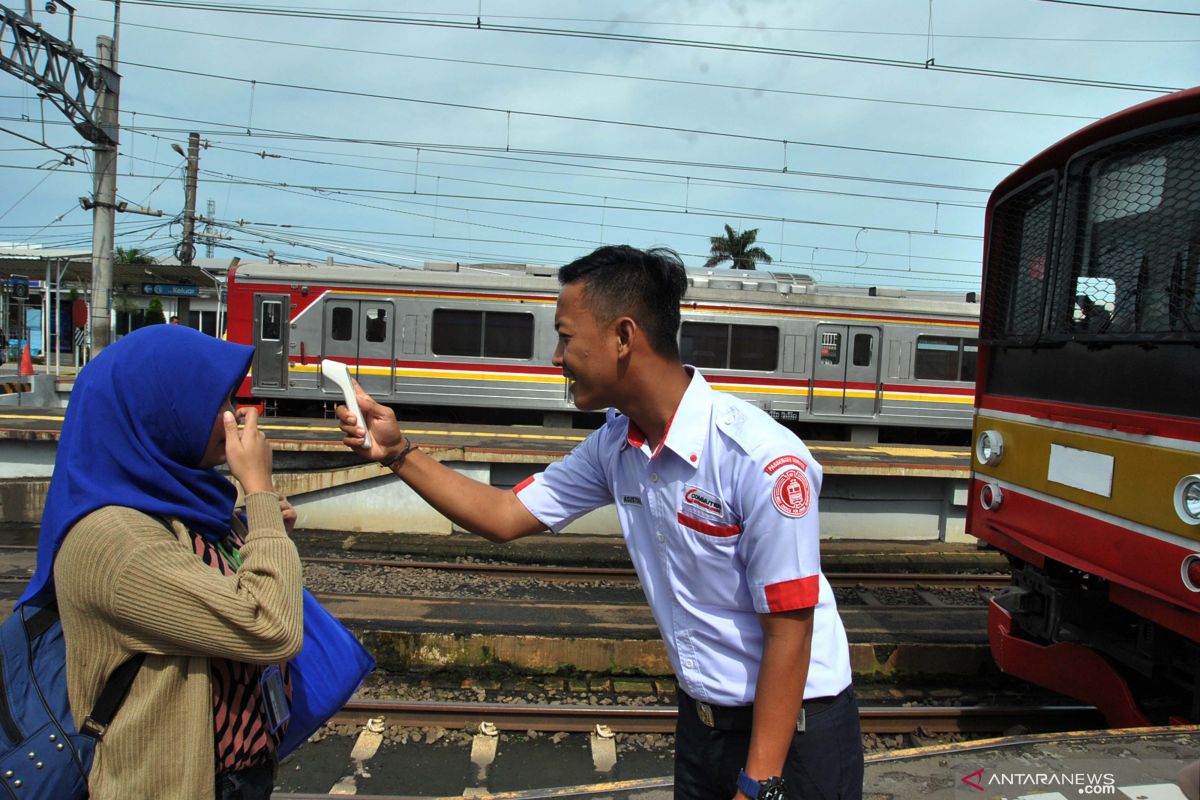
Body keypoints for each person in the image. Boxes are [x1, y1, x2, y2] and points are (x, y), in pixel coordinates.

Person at [336, 244, 864, 800]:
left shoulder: (758, 459)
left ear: (623, 337)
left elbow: (790, 630)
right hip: (704, 729)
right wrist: (399, 454)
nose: (556, 356)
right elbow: (505, 514)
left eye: (565, 335)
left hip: (795, 740)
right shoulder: (617, 446)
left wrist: (758, 784)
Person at [17, 324, 304, 800]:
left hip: (235, 776)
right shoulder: (114, 543)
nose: (235, 417)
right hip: (174, 784)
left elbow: (233, 599)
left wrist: (259, 530)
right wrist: (259, 492)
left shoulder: (179, 507)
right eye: (219, 402)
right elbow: (270, 624)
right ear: (159, 412)